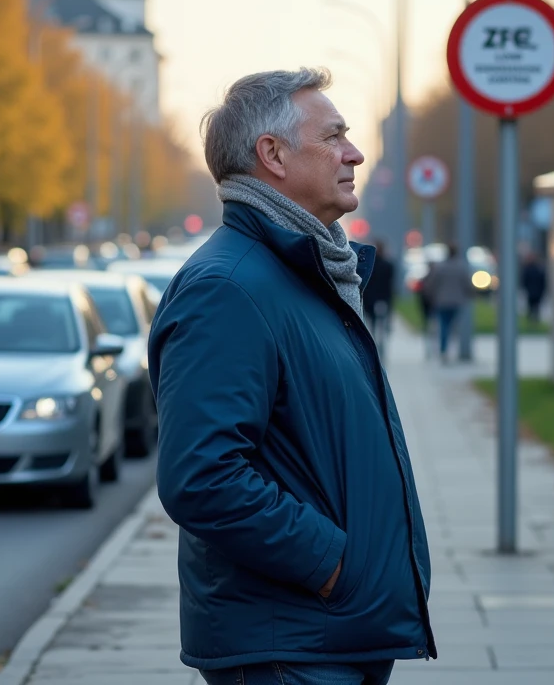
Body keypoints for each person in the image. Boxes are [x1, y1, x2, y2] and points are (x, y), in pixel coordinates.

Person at [148, 68, 435, 685]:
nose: (354, 153)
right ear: (272, 155)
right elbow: (201, 476)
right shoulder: (228, 288)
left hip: (325, 636)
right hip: (290, 645)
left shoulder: (304, 273)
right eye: (333, 137)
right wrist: (333, 564)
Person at [421, 244, 474, 363]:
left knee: (443, 325)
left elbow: (432, 283)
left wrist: (431, 296)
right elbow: (467, 284)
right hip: (456, 301)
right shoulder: (461, 267)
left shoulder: (441, 267)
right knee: (451, 325)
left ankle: (444, 349)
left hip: (442, 301)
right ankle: (447, 348)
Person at [361, 238, 396, 354]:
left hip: (369, 298)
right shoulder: (388, 265)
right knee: (381, 322)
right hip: (383, 299)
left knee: (371, 323)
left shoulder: (369, 266)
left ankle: (373, 344)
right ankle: (381, 345)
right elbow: (390, 284)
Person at [520, 250, 547, 325]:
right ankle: (531, 321)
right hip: (531, 291)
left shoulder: (538, 268)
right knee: (531, 307)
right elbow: (525, 280)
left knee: (536, 307)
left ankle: (534, 321)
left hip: (537, 291)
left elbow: (542, 280)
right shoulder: (529, 268)